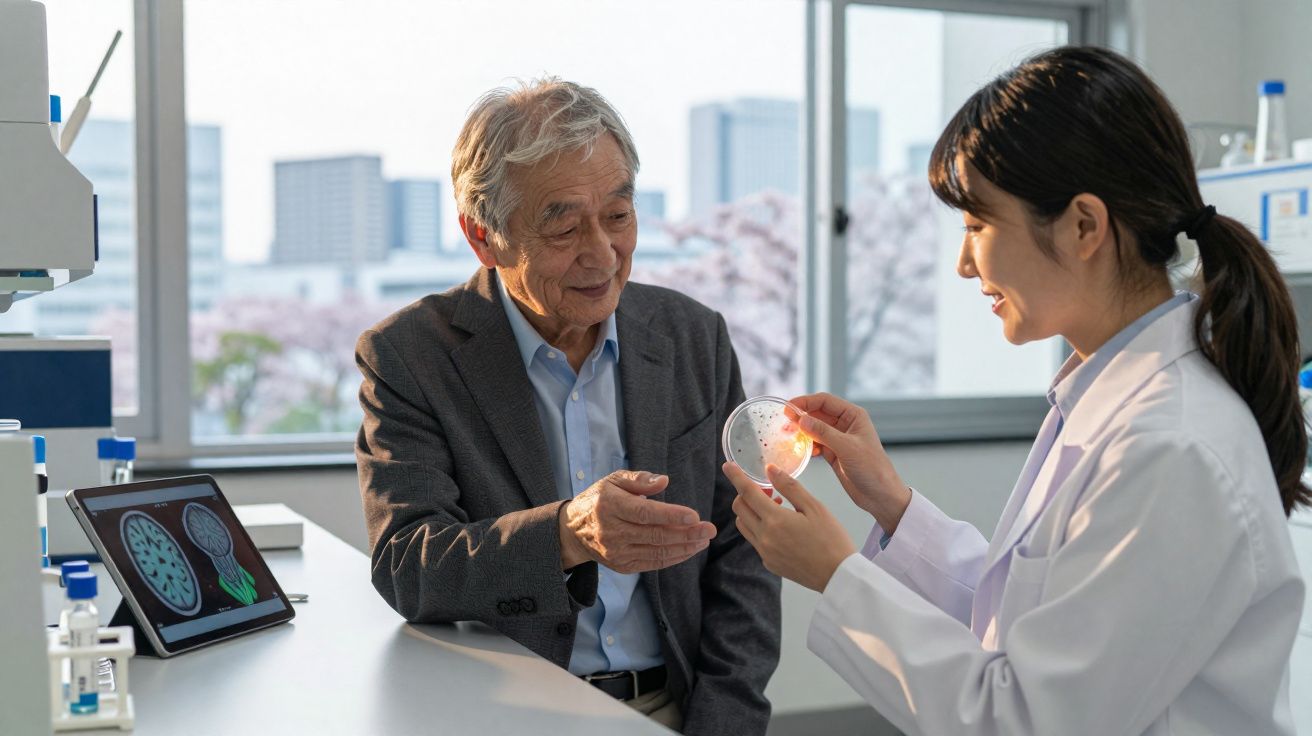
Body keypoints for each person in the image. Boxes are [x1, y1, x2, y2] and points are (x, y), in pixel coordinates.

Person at [724, 46, 1307, 735]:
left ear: (1084, 226)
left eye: (977, 226)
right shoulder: (1106, 399)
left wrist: (837, 573)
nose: (964, 263)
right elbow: (1023, 623)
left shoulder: (1169, 447)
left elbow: (1027, 718)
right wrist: (894, 506)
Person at [356, 78, 780, 734]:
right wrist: (567, 535)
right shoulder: (412, 356)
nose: (603, 253)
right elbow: (408, 565)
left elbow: (742, 547)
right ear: (483, 237)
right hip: (507, 714)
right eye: (562, 224)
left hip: (676, 707)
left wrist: (725, 719)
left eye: (617, 215)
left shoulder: (692, 336)